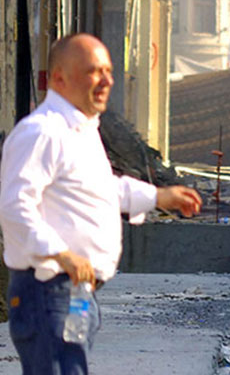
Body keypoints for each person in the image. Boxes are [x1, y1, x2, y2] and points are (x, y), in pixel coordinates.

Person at [0, 34, 203, 374]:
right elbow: (15, 207)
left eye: (108, 71)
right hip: (48, 291)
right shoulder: (42, 133)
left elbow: (97, 190)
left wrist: (157, 197)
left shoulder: (81, 130)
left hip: (74, 293)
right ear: (60, 77)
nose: (107, 81)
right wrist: (61, 253)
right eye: (94, 71)